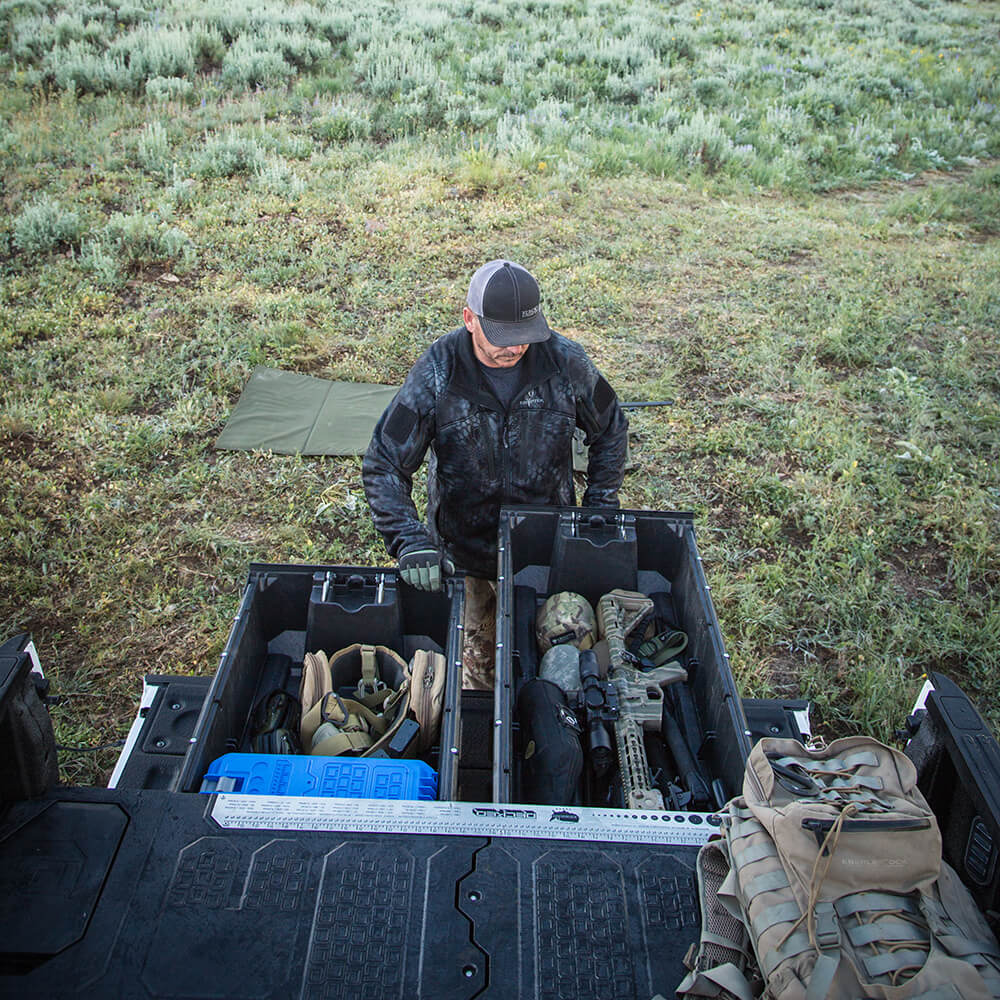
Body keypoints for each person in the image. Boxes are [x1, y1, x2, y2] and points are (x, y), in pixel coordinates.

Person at [362, 259, 628, 689]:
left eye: (524, 337)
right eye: (503, 338)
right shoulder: (437, 371)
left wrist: (599, 505)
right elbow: (384, 463)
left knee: (560, 672)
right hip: (464, 556)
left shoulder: (564, 361)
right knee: (478, 681)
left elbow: (611, 428)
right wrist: (408, 541)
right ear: (469, 319)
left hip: (546, 551)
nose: (515, 348)